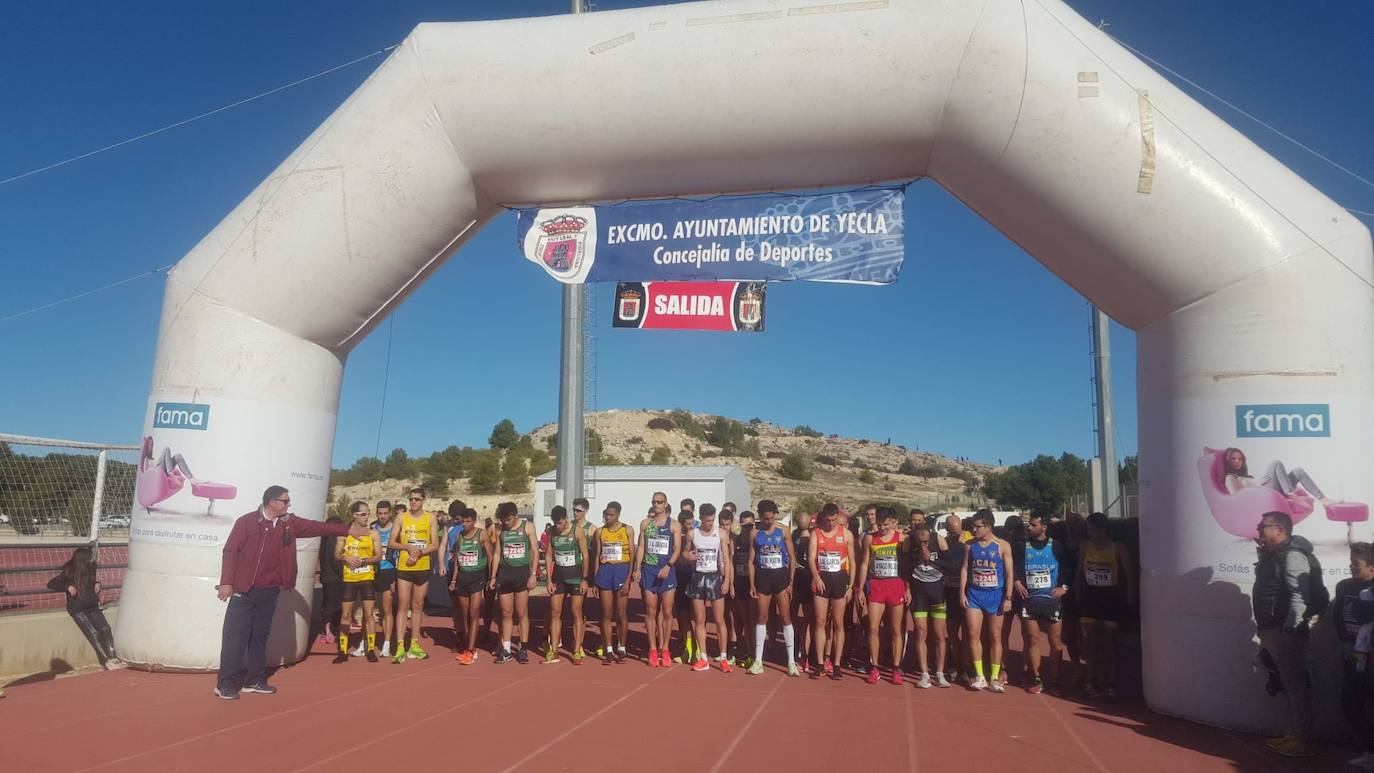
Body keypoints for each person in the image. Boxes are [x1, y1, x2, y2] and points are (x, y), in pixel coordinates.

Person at [215, 486, 358, 699]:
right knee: (235, 638)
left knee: (259, 638)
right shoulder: (246, 522)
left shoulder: (290, 524)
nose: (288, 504)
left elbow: (317, 527)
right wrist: (227, 582)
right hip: (244, 590)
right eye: (285, 501)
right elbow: (230, 551)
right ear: (272, 502)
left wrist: (347, 530)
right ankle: (225, 684)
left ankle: (253, 680)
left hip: (270, 590)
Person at [1252, 510, 1322, 758]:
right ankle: (1293, 734)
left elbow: (1299, 595)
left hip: (1285, 632)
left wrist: (1290, 628)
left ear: (1280, 529)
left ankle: (1301, 738)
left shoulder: (1292, 556)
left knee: (1295, 687)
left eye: (1263, 527)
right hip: (1274, 629)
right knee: (1289, 686)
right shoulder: (1274, 555)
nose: (1259, 530)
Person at [1077, 512, 1136, 701]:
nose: (1089, 533)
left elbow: (1129, 575)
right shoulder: (1085, 546)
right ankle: (1091, 681)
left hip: (1111, 596)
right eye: (1088, 529)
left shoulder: (1118, 548)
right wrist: (1078, 592)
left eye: (1092, 530)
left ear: (1103, 530)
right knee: (1089, 639)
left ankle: (1110, 684)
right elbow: (1079, 571)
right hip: (1090, 596)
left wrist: (1129, 598)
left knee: (1109, 642)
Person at [1014, 512, 1068, 694]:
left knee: (1055, 642)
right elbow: (1014, 568)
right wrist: (1017, 581)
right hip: (1030, 602)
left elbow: (1069, 568)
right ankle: (1036, 677)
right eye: (1029, 524)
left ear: (1044, 527)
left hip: (1051, 601)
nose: (1029, 527)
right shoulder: (1022, 546)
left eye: (1033, 524)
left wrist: (1064, 588)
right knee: (1032, 639)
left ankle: (1055, 680)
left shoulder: (1056, 546)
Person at [48, 547, 125, 670]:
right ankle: (105, 660)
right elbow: (52, 583)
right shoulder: (70, 570)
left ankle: (113, 657)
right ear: (83, 559)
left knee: (105, 628)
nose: (92, 560)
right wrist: (67, 586)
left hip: (92, 605)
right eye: (89, 557)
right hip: (77, 608)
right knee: (93, 633)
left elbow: (90, 582)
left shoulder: (91, 569)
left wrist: (97, 583)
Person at [960, 509, 1012, 693]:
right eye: (973, 526)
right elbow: (965, 569)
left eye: (978, 526)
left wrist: (1008, 597)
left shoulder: (1002, 545)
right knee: (973, 634)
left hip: (995, 596)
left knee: (995, 636)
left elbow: (1009, 572)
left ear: (988, 526)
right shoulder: (969, 545)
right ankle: (980, 675)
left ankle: (995, 677)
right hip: (975, 594)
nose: (974, 529)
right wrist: (962, 593)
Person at [1332, 542, 1374, 769]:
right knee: (1350, 702)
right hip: (1353, 655)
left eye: (1356, 564)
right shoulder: (1344, 586)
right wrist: (1345, 642)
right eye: (1350, 563)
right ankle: (1369, 750)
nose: (1351, 568)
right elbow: (1338, 616)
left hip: (1371, 656)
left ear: (1372, 567)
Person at [748, 500, 799, 676]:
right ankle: (758, 661)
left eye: (771, 517)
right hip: (763, 577)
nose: (769, 521)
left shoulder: (783, 531)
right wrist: (752, 584)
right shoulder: (755, 534)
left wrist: (791, 582)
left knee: (785, 616)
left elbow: (792, 557)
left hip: (780, 577)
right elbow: (751, 561)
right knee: (762, 617)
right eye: (765, 518)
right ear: (760, 516)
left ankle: (791, 662)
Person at [858, 507, 908, 685]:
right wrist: (860, 588)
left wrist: (908, 587)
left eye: (885, 525)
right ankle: (875, 668)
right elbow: (864, 563)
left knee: (895, 630)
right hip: (877, 585)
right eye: (879, 524)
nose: (882, 528)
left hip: (895, 585)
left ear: (892, 522)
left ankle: (895, 668)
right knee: (873, 628)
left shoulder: (901, 538)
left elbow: (907, 565)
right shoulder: (870, 539)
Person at [388, 488, 437, 664]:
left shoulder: (430, 517)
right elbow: (392, 542)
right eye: (411, 499)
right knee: (403, 604)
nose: (413, 502)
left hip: (422, 567)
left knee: (418, 605)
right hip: (404, 567)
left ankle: (414, 645)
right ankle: (400, 646)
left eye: (417, 499)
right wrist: (407, 547)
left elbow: (435, 544)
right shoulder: (402, 517)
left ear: (424, 500)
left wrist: (419, 553)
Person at [809, 502, 855, 680]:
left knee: (838, 622)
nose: (830, 524)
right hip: (822, 579)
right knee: (820, 621)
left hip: (840, 578)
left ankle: (836, 664)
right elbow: (812, 558)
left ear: (838, 517)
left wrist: (851, 586)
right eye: (827, 520)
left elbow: (853, 561)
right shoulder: (816, 533)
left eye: (834, 520)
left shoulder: (846, 534)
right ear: (823, 518)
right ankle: (820, 664)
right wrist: (816, 576)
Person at [635, 491, 682, 667]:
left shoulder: (674, 525)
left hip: (667, 571)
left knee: (668, 611)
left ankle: (665, 648)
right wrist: (637, 568)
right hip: (649, 569)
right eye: (654, 502)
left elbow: (677, 548)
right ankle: (653, 649)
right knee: (650, 610)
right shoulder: (646, 524)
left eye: (660, 502)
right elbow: (641, 547)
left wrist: (668, 566)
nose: (657, 504)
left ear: (666, 504)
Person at [903, 518, 950, 689]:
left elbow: (951, 565)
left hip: (937, 590)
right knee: (921, 632)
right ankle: (924, 674)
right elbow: (904, 567)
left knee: (938, 634)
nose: (923, 544)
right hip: (919, 591)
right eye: (919, 541)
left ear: (930, 535)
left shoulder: (939, 540)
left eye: (925, 541)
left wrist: (931, 560)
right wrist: (907, 587)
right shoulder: (909, 543)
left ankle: (939, 672)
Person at [489, 501, 538, 663]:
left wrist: (533, 574)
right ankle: (507, 649)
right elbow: (497, 554)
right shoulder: (501, 529)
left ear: (516, 516)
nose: (506, 523)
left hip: (522, 573)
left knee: (522, 612)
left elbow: (535, 552)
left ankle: (523, 648)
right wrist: (493, 576)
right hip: (505, 574)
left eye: (508, 520)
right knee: (505, 613)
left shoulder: (527, 526)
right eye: (503, 520)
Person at [686, 504, 733, 672]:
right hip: (698, 578)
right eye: (707, 521)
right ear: (701, 518)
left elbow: (726, 559)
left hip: (714, 577)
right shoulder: (693, 534)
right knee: (700, 619)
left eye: (713, 520)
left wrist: (727, 580)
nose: (710, 523)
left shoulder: (720, 533)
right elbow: (684, 553)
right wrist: (687, 555)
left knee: (720, 619)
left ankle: (724, 657)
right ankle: (703, 658)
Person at [332, 502, 381, 664]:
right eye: (363, 514)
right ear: (354, 515)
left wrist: (365, 560)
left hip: (367, 577)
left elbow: (378, 556)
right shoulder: (345, 533)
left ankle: (371, 649)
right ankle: (343, 651)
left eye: (368, 514)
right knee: (346, 615)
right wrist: (346, 558)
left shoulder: (373, 533)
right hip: (349, 579)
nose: (367, 517)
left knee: (369, 615)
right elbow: (336, 555)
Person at [544, 505, 590, 664]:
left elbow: (585, 555)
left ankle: (577, 650)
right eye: (556, 523)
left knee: (576, 611)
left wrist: (585, 579)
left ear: (566, 518)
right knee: (555, 612)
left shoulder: (577, 531)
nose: (559, 526)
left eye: (561, 522)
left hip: (576, 577)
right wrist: (549, 579)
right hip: (559, 578)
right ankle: (554, 650)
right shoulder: (552, 533)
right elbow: (549, 555)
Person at [592, 501, 634, 663]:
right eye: (606, 514)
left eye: (610, 515)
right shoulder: (600, 532)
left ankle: (622, 647)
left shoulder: (627, 529)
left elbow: (632, 555)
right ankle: (608, 648)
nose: (607, 517)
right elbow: (597, 555)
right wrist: (596, 579)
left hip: (621, 569)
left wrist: (628, 578)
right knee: (606, 612)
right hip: (605, 570)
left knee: (621, 612)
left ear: (617, 514)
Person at [449, 508, 492, 665]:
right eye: (463, 521)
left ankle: (471, 650)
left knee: (474, 613)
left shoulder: (482, 534)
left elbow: (490, 556)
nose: (465, 524)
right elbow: (457, 561)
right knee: (465, 614)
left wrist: (491, 577)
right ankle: (468, 647)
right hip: (462, 578)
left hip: (477, 577)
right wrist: (453, 581)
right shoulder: (460, 536)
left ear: (474, 521)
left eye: (468, 521)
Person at [1224, 447, 1337, 505]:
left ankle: (1323, 500)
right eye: (1233, 458)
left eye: (1240, 458)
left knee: (1298, 471)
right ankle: (1289, 493)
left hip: (1272, 492)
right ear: (1228, 460)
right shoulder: (1230, 477)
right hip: (1265, 497)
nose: (1237, 461)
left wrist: (1257, 482)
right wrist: (1257, 485)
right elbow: (1238, 499)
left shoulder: (1245, 475)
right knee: (1275, 463)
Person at [941, 514, 970, 684]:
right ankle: (954, 664)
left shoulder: (969, 543)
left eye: (959, 530)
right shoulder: (943, 543)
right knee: (952, 633)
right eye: (953, 531)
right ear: (947, 530)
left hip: (966, 593)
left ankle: (965, 667)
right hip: (949, 592)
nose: (957, 534)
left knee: (968, 633)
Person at [998, 514, 1026, 685]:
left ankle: (1023, 670)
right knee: (1003, 632)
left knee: (1027, 635)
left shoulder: (1023, 545)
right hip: (1007, 591)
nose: (1011, 533)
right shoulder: (1004, 545)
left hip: (1022, 592)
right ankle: (1002, 668)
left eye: (1014, 530)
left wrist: (1016, 580)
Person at [438, 499, 468, 651]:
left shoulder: (471, 524)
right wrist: (442, 564)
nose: (456, 519)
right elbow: (443, 545)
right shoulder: (448, 526)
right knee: (455, 605)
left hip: (467, 568)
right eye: (453, 516)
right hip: (451, 567)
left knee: (467, 605)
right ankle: (459, 636)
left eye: (458, 516)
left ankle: (470, 635)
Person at [729, 509, 757, 667]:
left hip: (753, 585)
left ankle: (753, 653)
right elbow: (732, 564)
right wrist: (731, 584)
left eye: (750, 525)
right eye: (744, 525)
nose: (747, 528)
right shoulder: (736, 540)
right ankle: (743, 649)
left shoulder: (757, 539)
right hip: (739, 583)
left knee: (751, 621)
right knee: (739, 619)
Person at [371, 500, 399, 658]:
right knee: (370, 611)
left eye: (385, 513)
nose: (382, 516)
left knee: (387, 609)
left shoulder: (396, 530)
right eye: (380, 513)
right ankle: (366, 642)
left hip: (388, 571)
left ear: (390, 513)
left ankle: (387, 643)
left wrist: (396, 577)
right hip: (372, 571)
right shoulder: (372, 529)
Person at [672, 510, 699, 664]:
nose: (690, 526)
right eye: (687, 524)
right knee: (682, 615)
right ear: (681, 524)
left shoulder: (696, 537)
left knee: (696, 616)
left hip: (694, 578)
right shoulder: (677, 538)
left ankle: (698, 649)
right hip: (680, 579)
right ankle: (687, 649)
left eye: (692, 523)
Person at [790, 510, 815, 673]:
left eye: (804, 523)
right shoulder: (794, 535)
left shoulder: (814, 535)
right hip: (796, 577)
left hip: (809, 578)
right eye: (799, 523)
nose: (802, 526)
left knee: (808, 617)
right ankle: (793, 648)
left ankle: (806, 653)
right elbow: (791, 555)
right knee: (791, 614)